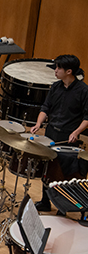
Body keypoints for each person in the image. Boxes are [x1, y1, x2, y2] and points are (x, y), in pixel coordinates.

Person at [29, 54, 88, 211]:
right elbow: (45, 107)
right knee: (48, 169)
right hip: (50, 133)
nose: (55, 70)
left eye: (58, 68)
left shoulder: (83, 91)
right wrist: (38, 123)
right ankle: (45, 201)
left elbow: (87, 117)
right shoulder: (55, 87)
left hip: (68, 136)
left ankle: (65, 206)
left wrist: (76, 132)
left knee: (64, 173)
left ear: (69, 71)